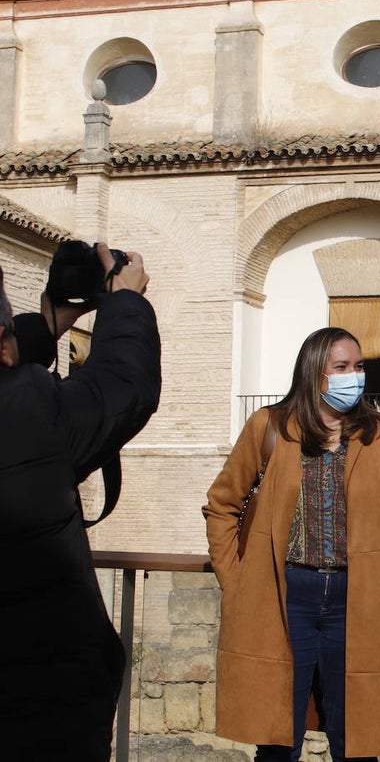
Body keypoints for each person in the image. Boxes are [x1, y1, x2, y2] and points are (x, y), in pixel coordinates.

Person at [203, 327, 380, 761]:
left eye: (358, 367)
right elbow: (222, 505)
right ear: (314, 373)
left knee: (357, 737)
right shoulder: (271, 426)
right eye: (341, 367)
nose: (353, 376)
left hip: (358, 599)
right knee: (278, 735)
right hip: (286, 595)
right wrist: (238, 579)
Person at [0, 244, 160, 761]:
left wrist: (48, 324)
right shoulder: (27, 409)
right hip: (42, 699)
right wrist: (123, 302)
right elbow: (122, 385)